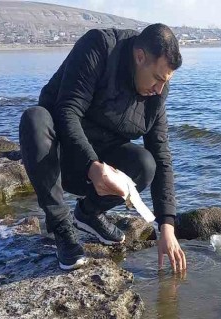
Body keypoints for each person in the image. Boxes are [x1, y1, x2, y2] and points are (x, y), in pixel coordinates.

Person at [18, 24, 187, 273]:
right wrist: (92, 166)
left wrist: (167, 226)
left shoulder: (157, 93)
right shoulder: (99, 47)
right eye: (158, 79)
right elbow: (67, 111)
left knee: (145, 164)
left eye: (166, 82)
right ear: (140, 56)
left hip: (100, 165)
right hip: (58, 157)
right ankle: (62, 226)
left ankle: (88, 213)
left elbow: (161, 154)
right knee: (34, 118)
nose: (159, 89)